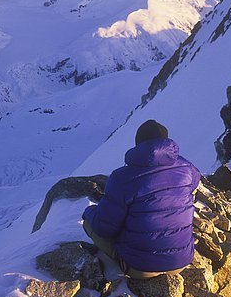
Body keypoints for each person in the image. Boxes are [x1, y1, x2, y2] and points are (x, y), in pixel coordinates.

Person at [82, 119, 201, 279]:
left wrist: (90, 212)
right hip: (182, 261)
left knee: (89, 222)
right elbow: (194, 183)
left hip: (141, 268)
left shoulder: (121, 178)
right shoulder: (187, 168)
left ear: (138, 144)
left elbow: (104, 228)